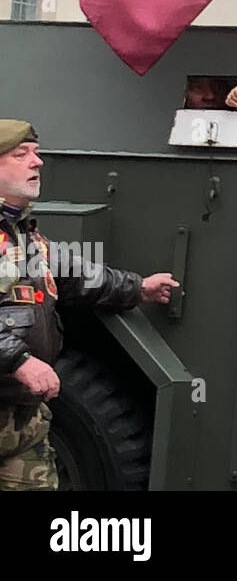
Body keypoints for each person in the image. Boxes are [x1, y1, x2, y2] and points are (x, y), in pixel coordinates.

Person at [0, 120, 178, 491]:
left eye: (36, 152)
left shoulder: (21, 234)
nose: (37, 162)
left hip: (21, 420)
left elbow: (69, 273)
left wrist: (137, 288)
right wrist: (18, 360)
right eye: (21, 155)